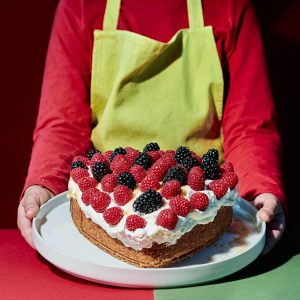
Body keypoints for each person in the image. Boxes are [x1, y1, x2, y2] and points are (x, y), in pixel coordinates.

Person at [18, 0, 286, 255]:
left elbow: (249, 124)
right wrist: (44, 184)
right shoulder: (81, 6)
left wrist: (259, 189)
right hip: (111, 199)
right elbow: (63, 123)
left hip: (201, 196)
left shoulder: (230, 6)